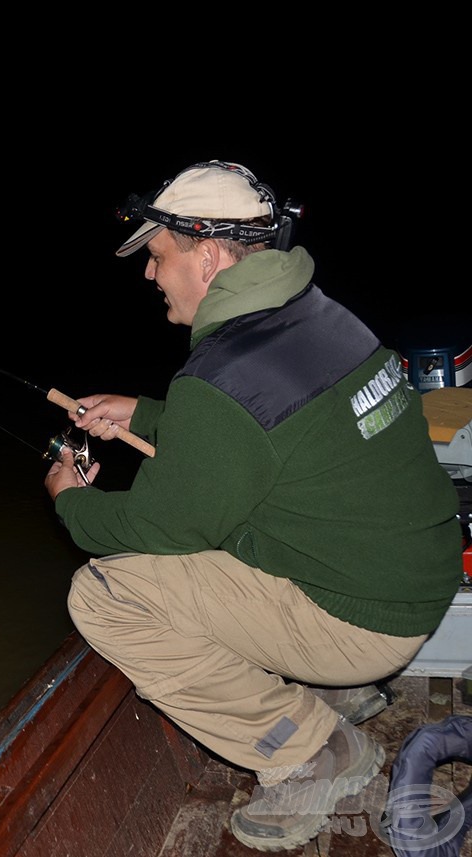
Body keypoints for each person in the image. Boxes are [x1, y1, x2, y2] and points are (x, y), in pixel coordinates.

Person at [43, 160, 464, 852]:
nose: (151, 276)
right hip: (415, 582)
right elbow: (262, 436)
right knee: (228, 511)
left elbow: (155, 526)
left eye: (158, 256)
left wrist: (69, 502)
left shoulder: (224, 378)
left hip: (367, 622)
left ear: (206, 257)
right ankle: (333, 686)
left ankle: (312, 746)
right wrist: (146, 414)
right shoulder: (321, 315)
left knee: (106, 593)